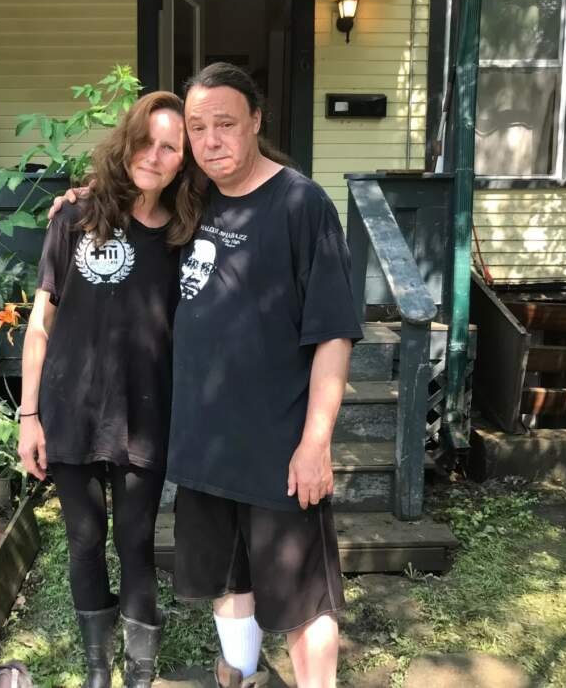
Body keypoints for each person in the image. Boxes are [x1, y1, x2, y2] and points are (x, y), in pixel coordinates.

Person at [52, 63, 363, 688]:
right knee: (228, 581)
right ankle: (238, 677)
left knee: (303, 599)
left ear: (256, 121)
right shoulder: (193, 198)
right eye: (199, 127)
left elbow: (333, 332)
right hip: (203, 445)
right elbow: (134, 186)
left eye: (225, 123)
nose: (211, 139)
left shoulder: (301, 204)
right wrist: (81, 197)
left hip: (277, 445)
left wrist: (316, 442)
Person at [17, 91, 200, 688]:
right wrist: (28, 415)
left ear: (182, 159)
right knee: (84, 540)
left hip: (144, 415)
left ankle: (140, 674)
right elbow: (40, 324)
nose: (155, 154)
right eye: (146, 141)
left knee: (136, 542)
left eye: (170, 146)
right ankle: (99, 670)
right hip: (69, 413)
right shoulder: (75, 218)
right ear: (128, 144)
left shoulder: (185, 235)